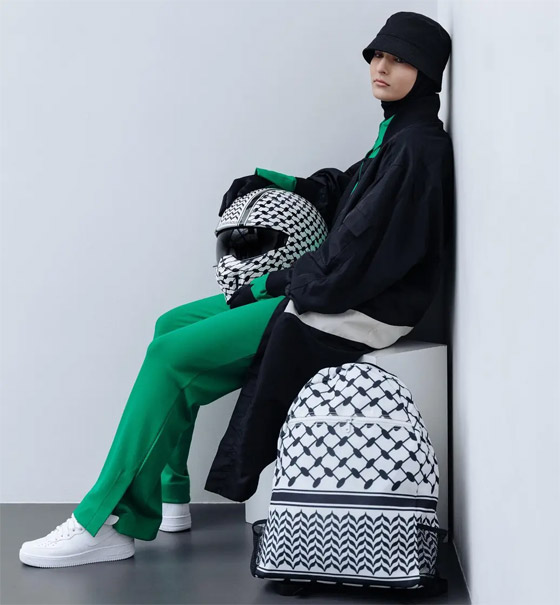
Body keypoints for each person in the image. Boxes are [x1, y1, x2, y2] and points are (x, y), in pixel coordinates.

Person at [19, 11, 453, 568]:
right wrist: (279, 184)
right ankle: (169, 496)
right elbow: (348, 193)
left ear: (427, 71)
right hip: (336, 286)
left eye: (398, 59)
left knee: (169, 355)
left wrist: (269, 283)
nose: (381, 67)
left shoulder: (419, 148)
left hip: (359, 307)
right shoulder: (396, 135)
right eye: (376, 55)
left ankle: (105, 522)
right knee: (171, 324)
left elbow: (358, 257)